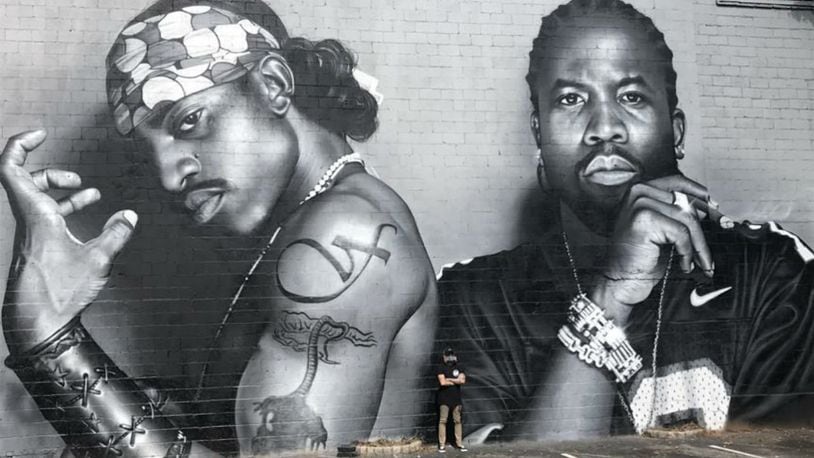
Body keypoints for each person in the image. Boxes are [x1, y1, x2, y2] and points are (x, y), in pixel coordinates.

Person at [0, 0, 437, 456]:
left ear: (273, 85)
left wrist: (48, 339)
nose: (170, 177)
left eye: (189, 121)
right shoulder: (297, 226)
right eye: (149, 157)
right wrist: (163, 406)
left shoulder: (342, 235)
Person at [436, 0, 814, 443]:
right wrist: (609, 298)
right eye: (571, 99)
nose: (605, 127)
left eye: (631, 96)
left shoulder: (770, 271)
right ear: (539, 134)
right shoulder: (474, 298)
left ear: (675, 131)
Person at [436, 348, 467, 452]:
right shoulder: (440, 367)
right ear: (444, 357)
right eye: (448, 355)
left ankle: (459, 444)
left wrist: (449, 379)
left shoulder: (459, 367)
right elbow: (442, 383)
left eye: (451, 355)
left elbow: (462, 380)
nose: (450, 357)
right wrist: (455, 381)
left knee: (457, 421)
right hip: (443, 399)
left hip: (456, 399)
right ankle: (442, 444)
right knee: (443, 420)